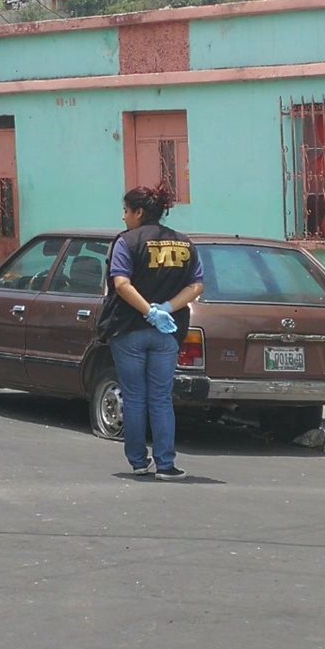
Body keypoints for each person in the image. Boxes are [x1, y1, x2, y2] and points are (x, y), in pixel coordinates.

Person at [97, 185, 204, 480]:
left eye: (126, 211)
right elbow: (196, 286)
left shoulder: (126, 242)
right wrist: (166, 310)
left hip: (129, 328)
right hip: (167, 332)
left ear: (139, 212)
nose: (123, 217)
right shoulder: (184, 244)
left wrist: (148, 311)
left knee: (134, 397)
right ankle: (166, 464)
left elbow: (121, 284)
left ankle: (138, 462)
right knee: (160, 397)